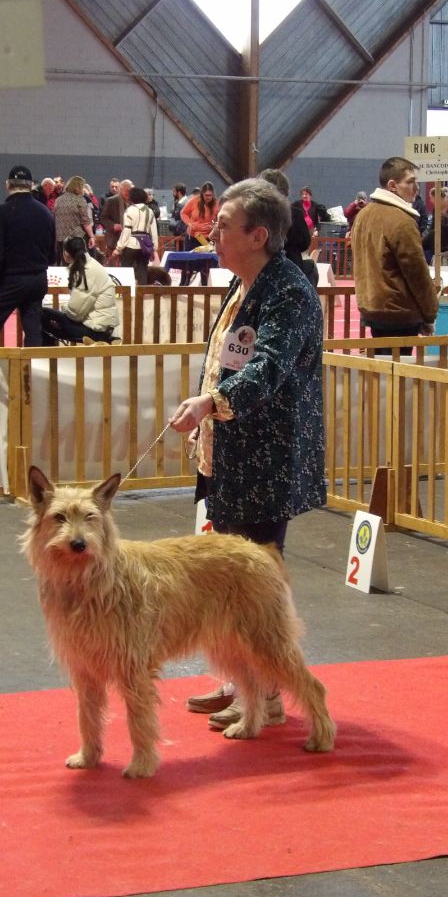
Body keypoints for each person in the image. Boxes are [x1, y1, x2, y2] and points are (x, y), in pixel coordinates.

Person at [168, 177, 325, 729]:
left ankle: (269, 694)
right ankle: (245, 680)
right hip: (228, 453)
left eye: (224, 226)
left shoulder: (288, 291)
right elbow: (228, 357)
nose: (211, 231)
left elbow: (266, 371)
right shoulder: (245, 282)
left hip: (266, 457)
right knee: (232, 583)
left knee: (254, 586)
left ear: (258, 235)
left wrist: (211, 402)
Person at [351, 157, 438, 354]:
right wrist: (430, 312)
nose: (416, 188)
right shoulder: (402, 221)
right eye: (410, 182)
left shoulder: (363, 215)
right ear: (392, 185)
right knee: (396, 379)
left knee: (382, 376)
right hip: (399, 313)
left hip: (372, 307)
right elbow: (418, 274)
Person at [0, 165, 56, 346]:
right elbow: (52, 254)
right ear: (31, 185)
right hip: (38, 278)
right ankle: (32, 371)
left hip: (11, 278)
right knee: (33, 328)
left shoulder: (1, 212)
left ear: (8, 185)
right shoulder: (45, 213)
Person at [40, 236, 118, 344]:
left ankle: (45, 357)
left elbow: (75, 313)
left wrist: (63, 308)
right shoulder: (90, 265)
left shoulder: (86, 271)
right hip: (98, 325)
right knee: (45, 315)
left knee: (40, 315)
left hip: (95, 329)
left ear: (66, 253)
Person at [258, 168, 316, 285]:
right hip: (291, 268)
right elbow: (305, 242)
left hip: (259, 269)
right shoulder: (295, 213)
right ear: (285, 190)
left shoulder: (255, 214)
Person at [113, 186, 158, 285]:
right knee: (142, 270)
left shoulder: (129, 210)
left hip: (131, 244)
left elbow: (126, 231)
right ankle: (141, 294)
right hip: (145, 245)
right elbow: (154, 232)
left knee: (126, 270)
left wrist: (119, 248)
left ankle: (126, 293)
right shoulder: (150, 211)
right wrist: (154, 248)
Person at [53, 175, 96, 262]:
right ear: (78, 187)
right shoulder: (80, 200)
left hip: (61, 239)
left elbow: (55, 218)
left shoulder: (58, 200)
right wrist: (92, 237)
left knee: (65, 264)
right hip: (76, 239)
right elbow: (86, 222)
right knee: (79, 264)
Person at [100, 178, 133, 262]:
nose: (129, 193)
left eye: (131, 191)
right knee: (113, 267)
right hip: (114, 240)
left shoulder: (134, 202)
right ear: (120, 190)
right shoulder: (111, 201)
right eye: (127, 191)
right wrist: (113, 225)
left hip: (130, 241)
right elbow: (103, 218)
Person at [180, 181, 218, 251]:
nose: (208, 197)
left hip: (209, 239)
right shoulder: (193, 201)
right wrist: (188, 223)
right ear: (202, 194)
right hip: (193, 237)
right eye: (206, 195)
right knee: (192, 260)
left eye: (210, 195)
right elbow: (183, 213)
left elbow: (220, 219)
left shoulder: (217, 204)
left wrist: (215, 225)